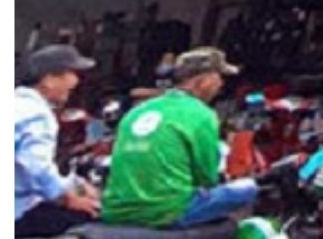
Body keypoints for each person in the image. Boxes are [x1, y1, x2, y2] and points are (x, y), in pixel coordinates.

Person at [101, 47, 258, 228]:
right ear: (203, 80)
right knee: (248, 188)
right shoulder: (201, 114)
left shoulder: (137, 112)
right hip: (168, 212)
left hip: (116, 211)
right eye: (219, 77)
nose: (222, 84)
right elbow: (207, 177)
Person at [14, 44, 104, 239]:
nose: (76, 81)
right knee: (92, 218)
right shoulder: (36, 113)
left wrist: (73, 185)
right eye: (71, 73)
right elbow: (36, 166)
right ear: (49, 79)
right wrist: (67, 199)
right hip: (17, 213)